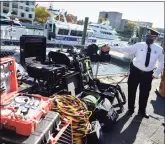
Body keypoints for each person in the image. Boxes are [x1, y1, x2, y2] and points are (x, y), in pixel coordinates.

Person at [103, 29, 164, 118]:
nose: (148, 38)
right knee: (131, 90)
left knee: (144, 93)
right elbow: (124, 49)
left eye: (151, 37)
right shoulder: (139, 45)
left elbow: (161, 63)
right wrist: (111, 48)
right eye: (148, 36)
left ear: (155, 38)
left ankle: (142, 111)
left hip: (148, 74)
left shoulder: (159, 49)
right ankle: (131, 109)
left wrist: (155, 75)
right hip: (135, 71)